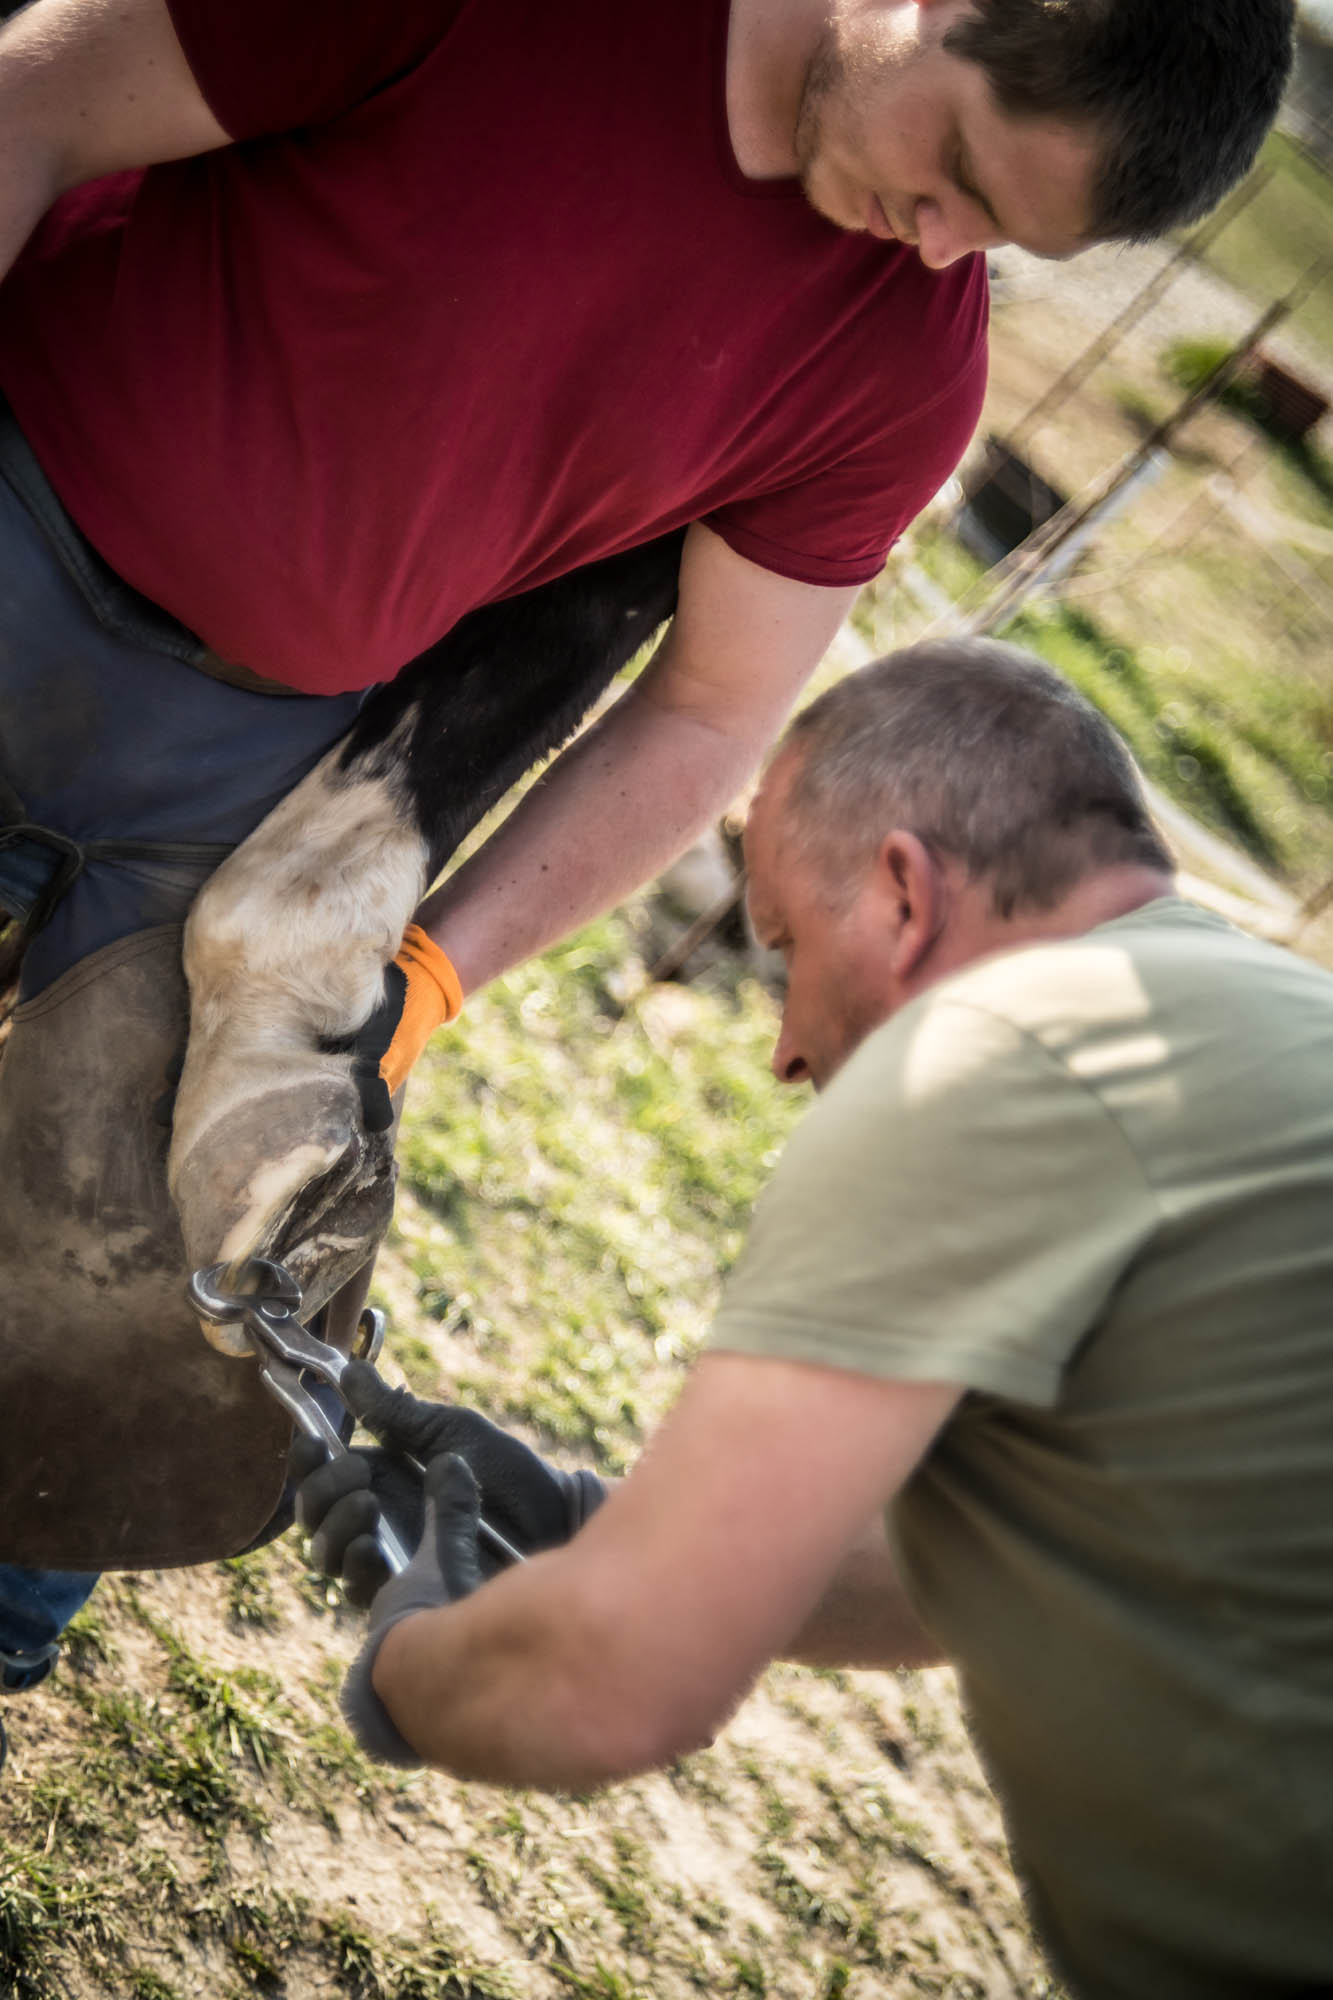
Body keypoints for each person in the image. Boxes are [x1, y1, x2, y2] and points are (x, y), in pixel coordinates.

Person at [0, 1, 1295, 1689]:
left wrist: (421, 982)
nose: (940, 243)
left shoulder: (902, 356)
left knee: (142, 1295)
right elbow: (34, 101)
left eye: (999, 238)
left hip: (245, 769)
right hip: (22, 513)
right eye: (954, 168)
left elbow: (703, 717)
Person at [297, 639, 1333, 2000]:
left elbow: (607, 1685)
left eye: (779, 944)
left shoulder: (997, 1060)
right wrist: (589, 1525)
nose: (783, 1043)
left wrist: (408, 1658)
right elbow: (970, 1569)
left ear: (903, 895)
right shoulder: (1259, 1041)